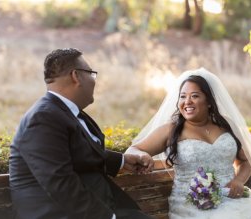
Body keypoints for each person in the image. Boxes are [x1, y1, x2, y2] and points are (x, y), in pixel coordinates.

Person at [9, 48, 153, 219]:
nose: (94, 80)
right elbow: (60, 183)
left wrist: (122, 161)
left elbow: (77, 152)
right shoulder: (43, 118)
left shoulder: (61, 112)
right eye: (91, 73)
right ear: (76, 76)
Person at [126, 68, 251, 218]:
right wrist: (141, 154)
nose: (187, 101)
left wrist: (238, 181)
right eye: (183, 96)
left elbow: (245, 161)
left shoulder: (226, 125)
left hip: (231, 199)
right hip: (192, 205)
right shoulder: (171, 129)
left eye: (194, 96)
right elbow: (133, 150)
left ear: (209, 101)